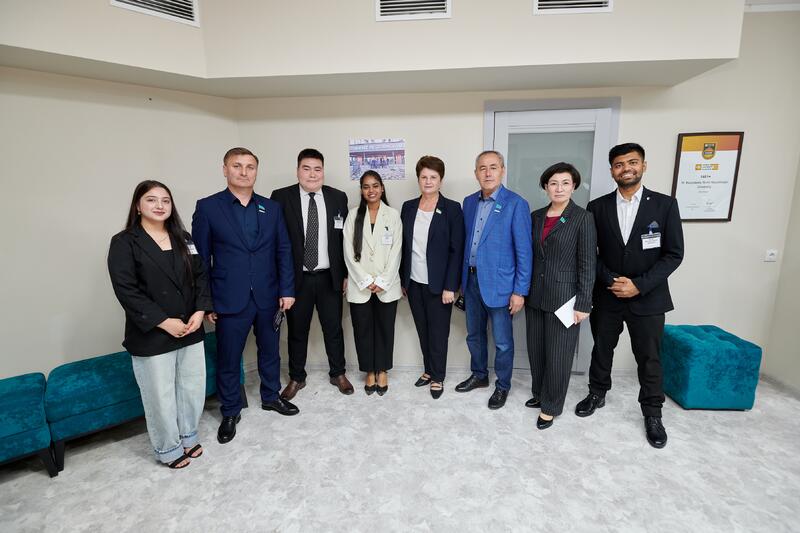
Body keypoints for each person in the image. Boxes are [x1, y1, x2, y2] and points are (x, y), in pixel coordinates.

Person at [574, 143, 684, 449]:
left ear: (643, 166)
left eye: (632, 162)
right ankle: (597, 393)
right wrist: (611, 280)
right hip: (608, 295)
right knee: (602, 349)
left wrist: (639, 285)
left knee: (649, 358)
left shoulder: (664, 205)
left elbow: (674, 254)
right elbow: (590, 253)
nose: (626, 169)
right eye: (619, 164)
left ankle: (652, 413)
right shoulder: (597, 207)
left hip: (648, 298)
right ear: (612, 170)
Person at [192, 147, 296, 445]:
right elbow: (201, 261)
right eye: (237, 166)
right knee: (228, 357)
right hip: (228, 298)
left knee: (270, 351)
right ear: (225, 169)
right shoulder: (208, 208)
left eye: (250, 166)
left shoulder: (271, 208)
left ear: (256, 171)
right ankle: (230, 410)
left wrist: (287, 290)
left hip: (268, 296)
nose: (244, 172)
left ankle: (270, 396)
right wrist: (206, 302)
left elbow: (283, 250)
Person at [108, 180, 213, 468]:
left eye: (165, 200)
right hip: (152, 332)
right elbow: (126, 290)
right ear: (137, 206)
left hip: (190, 327)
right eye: (151, 200)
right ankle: (168, 448)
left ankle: (189, 435)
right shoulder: (124, 242)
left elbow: (201, 276)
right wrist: (164, 322)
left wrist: (200, 311)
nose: (159, 205)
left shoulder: (183, 238)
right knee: (160, 395)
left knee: (191, 387)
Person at [270, 148, 353, 400]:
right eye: (306, 169)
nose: (312, 174)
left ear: (323, 172)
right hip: (297, 279)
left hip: (329, 277)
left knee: (334, 328)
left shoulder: (338, 197)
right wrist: (280, 281)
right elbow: (275, 241)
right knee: (297, 331)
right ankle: (297, 377)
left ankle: (338, 373)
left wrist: (345, 274)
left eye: (317, 169)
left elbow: (344, 240)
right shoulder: (281, 197)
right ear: (298, 171)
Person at [456, 150, 532, 409]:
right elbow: (465, 243)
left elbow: (524, 252)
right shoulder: (468, 202)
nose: (487, 173)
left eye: (493, 167)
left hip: (501, 285)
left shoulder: (516, 204)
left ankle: (503, 385)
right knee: (474, 335)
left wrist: (520, 291)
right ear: (475, 173)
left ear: (502, 170)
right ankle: (479, 375)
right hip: (471, 281)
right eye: (482, 168)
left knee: (502, 342)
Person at [525, 163, 596, 430]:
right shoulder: (536, 216)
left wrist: (584, 302)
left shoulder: (582, 218)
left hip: (565, 298)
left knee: (558, 356)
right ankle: (539, 393)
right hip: (535, 295)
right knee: (537, 351)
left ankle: (551, 407)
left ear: (574, 186)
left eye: (565, 183)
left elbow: (588, 263)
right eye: (553, 183)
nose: (559, 188)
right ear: (546, 187)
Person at [400, 156, 464, 399]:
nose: (428, 181)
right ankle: (428, 370)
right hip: (414, 282)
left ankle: (438, 376)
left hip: (440, 285)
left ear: (441, 180)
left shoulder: (452, 209)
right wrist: (403, 281)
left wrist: (450, 286)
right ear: (418, 179)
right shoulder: (408, 207)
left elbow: (456, 250)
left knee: (438, 333)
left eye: (433, 177)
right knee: (423, 330)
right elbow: (403, 246)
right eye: (424, 177)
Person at [343, 170, 402, 396]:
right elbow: (348, 252)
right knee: (363, 330)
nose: (371, 190)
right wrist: (366, 280)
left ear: (382, 188)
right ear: (361, 190)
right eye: (366, 186)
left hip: (387, 285)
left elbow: (397, 251)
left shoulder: (393, 215)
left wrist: (383, 281)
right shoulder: (353, 215)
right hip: (361, 286)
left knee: (385, 329)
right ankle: (369, 370)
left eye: (375, 185)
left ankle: (382, 370)